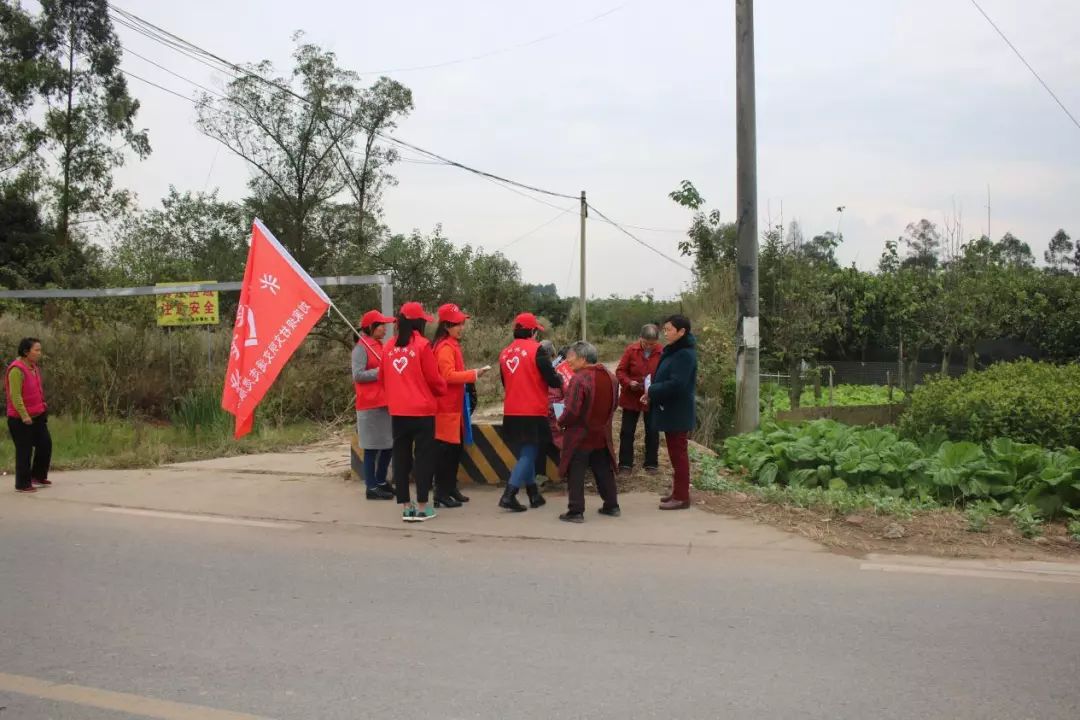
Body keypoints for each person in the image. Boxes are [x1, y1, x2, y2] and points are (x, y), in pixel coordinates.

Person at [381, 302, 447, 522]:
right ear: (419, 323)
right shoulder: (423, 346)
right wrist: (441, 389)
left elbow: (382, 379)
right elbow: (435, 379)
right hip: (422, 412)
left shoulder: (388, 347)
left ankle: (406, 507)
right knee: (423, 459)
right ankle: (422, 507)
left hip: (398, 412)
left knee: (401, 458)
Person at [498, 312, 563, 512]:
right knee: (530, 452)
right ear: (533, 331)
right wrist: (560, 377)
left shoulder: (505, 353)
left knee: (526, 451)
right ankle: (509, 494)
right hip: (532, 410)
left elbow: (505, 382)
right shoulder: (537, 351)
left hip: (511, 410)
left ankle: (534, 494)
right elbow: (552, 379)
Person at [432, 303, 490, 509]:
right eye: (458, 324)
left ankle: (450, 488)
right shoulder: (445, 348)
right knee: (446, 452)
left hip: (454, 406)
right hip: (446, 408)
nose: (461, 327)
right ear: (447, 325)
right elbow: (447, 376)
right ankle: (441, 492)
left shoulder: (450, 345)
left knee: (454, 450)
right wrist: (474, 374)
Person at [557, 342, 620, 523]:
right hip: (601, 433)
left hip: (581, 435)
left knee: (576, 471)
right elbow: (614, 404)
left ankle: (576, 511)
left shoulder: (580, 379)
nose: (568, 361)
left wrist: (560, 422)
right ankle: (612, 505)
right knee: (603, 469)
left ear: (583, 359)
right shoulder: (610, 377)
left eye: (571, 357)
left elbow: (572, 410)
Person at [643, 315, 698, 510]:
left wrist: (652, 391)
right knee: (675, 454)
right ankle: (677, 492)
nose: (665, 333)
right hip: (670, 409)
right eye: (664, 329)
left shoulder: (685, 354)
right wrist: (652, 393)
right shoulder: (674, 350)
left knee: (679, 454)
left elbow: (677, 384)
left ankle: (682, 497)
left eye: (669, 330)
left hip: (678, 411)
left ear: (682, 332)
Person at [352, 310, 397, 500]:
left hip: (385, 403)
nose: (384, 328)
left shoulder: (379, 346)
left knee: (388, 445)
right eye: (380, 325)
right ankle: (371, 486)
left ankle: (380, 480)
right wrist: (380, 371)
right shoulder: (361, 348)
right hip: (370, 405)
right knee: (371, 448)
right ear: (370, 327)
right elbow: (358, 375)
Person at [5, 337, 52, 494]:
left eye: (40, 349)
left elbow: (36, 390)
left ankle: (37, 476)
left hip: (38, 415)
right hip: (20, 419)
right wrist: (24, 415)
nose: (39, 353)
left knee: (45, 445)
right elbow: (15, 396)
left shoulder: (34, 367)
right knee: (24, 451)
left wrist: (43, 407)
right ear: (26, 352)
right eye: (36, 350)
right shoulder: (16, 370)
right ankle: (22, 484)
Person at [615, 324, 662, 474]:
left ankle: (651, 463)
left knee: (652, 431)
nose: (649, 346)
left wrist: (656, 388)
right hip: (631, 396)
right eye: (646, 343)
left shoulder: (662, 352)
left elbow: (665, 374)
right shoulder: (631, 350)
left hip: (652, 398)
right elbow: (620, 371)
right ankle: (625, 464)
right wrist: (629, 383)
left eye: (652, 344)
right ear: (640, 338)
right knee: (627, 431)